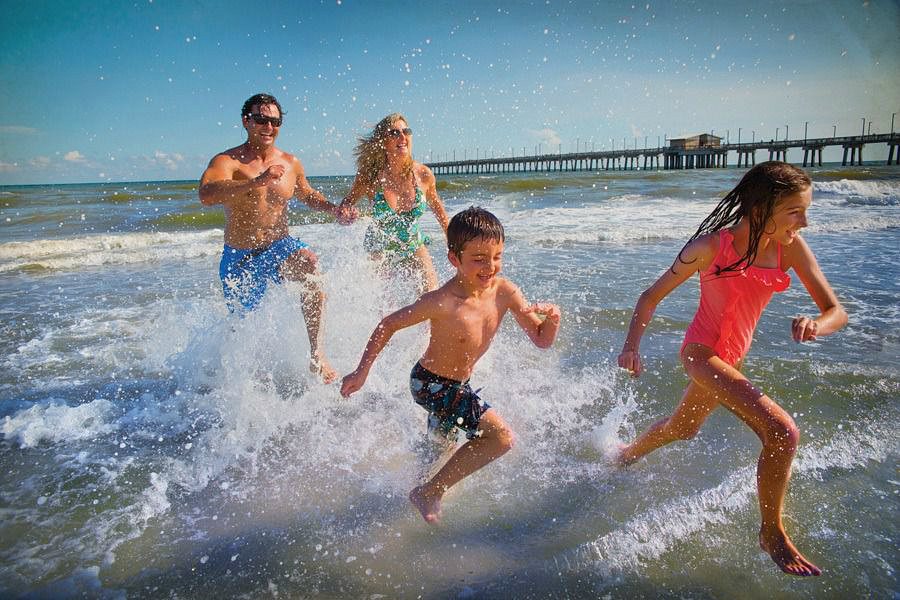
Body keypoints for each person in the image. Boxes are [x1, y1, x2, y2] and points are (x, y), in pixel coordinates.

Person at [616, 161, 847, 577]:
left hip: (731, 360)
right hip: (701, 354)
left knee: (683, 428)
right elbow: (650, 297)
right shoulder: (709, 247)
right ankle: (771, 531)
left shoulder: (788, 249)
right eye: (796, 211)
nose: (806, 222)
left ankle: (624, 454)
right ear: (761, 208)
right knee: (782, 432)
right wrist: (631, 346)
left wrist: (818, 324)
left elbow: (836, 310)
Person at [340, 207, 561, 523]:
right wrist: (361, 372)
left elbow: (541, 339)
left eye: (497, 256)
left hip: (458, 385)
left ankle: (409, 488)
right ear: (454, 260)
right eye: (479, 258)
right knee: (500, 438)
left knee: (439, 448)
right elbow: (387, 324)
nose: (490, 266)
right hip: (429, 384)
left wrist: (553, 320)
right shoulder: (442, 301)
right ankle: (429, 492)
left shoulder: (506, 292)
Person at [199, 93, 355, 384]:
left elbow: (307, 194)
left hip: (279, 246)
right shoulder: (228, 161)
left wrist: (334, 209)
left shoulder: (290, 162)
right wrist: (255, 182)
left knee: (311, 268)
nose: (268, 126)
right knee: (244, 332)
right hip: (241, 256)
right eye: (261, 119)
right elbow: (206, 195)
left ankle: (315, 354)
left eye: (275, 121)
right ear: (246, 122)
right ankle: (237, 378)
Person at [339, 113, 450, 293]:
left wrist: (456, 246)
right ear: (383, 141)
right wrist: (345, 211)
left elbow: (442, 215)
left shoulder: (423, 175)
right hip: (379, 249)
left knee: (431, 298)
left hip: (413, 244)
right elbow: (348, 201)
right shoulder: (370, 176)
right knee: (384, 312)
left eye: (406, 131)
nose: (402, 137)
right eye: (394, 133)